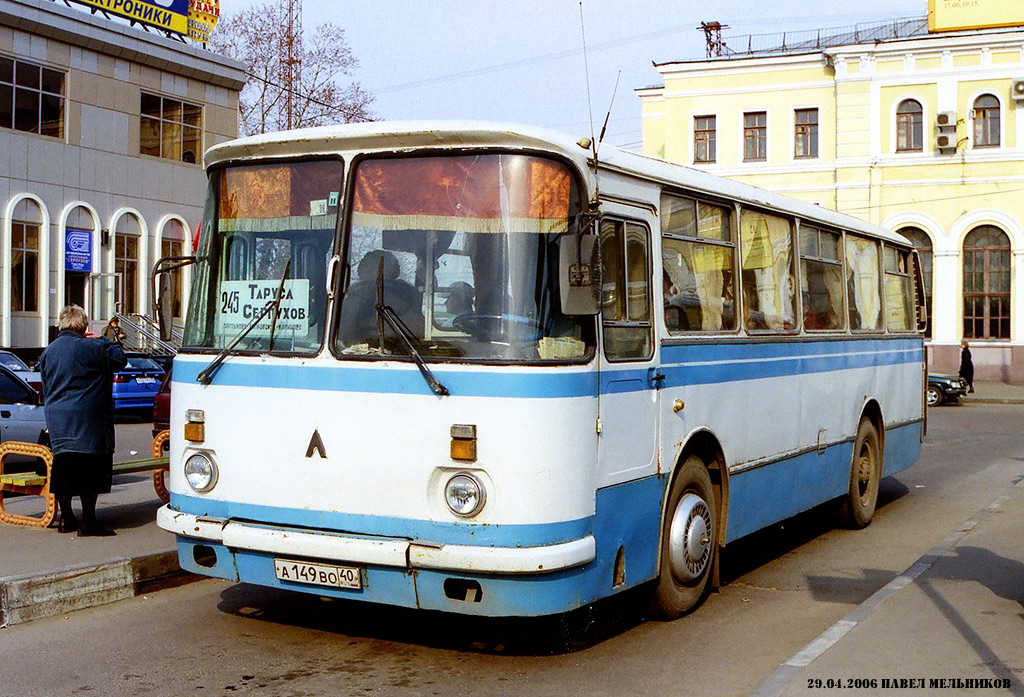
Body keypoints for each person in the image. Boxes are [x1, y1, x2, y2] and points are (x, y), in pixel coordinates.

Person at [38, 305, 127, 536]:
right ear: (84, 326)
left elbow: (46, 386)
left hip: (58, 419)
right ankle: (88, 521)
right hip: (89, 419)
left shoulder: (49, 351)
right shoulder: (93, 347)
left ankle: (66, 518)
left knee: (64, 467)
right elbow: (120, 360)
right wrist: (105, 340)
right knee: (90, 468)